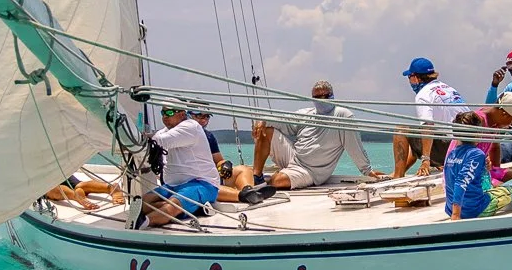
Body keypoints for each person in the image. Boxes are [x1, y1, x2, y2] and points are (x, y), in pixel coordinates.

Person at [250, 80, 386, 189]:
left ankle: (272, 179)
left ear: (332, 96)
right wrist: (264, 120)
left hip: (311, 171)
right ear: (312, 98)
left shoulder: (343, 116)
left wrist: (368, 171)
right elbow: (283, 121)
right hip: (294, 157)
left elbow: (355, 147)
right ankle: (257, 178)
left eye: (326, 96)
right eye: (318, 97)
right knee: (266, 130)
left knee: (277, 181)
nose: (322, 99)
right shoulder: (306, 113)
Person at [138, 105, 222, 227]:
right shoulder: (164, 132)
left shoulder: (190, 127)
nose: (165, 117)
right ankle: (191, 209)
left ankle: (144, 222)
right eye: (163, 113)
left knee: (171, 205)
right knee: (142, 203)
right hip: (174, 184)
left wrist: (137, 137)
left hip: (202, 183)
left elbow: (160, 141)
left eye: (170, 112)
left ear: (182, 114)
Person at [392, 57, 464, 178]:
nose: (409, 81)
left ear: (415, 77)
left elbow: (427, 127)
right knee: (417, 134)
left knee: (401, 130)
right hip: (464, 147)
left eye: (409, 77)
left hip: (449, 149)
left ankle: (397, 176)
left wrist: (426, 161)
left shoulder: (423, 94)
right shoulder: (448, 89)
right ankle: (399, 172)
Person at [443, 111, 512, 219]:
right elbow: (461, 182)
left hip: (450, 208)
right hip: (475, 210)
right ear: (478, 133)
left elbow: (450, 180)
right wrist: (456, 216)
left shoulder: (452, 154)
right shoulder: (476, 154)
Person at [189, 108, 273, 205]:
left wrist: (225, 164)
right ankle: (244, 195)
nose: (204, 120)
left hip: (212, 175)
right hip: (197, 180)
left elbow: (218, 160)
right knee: (208, 187)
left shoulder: (208, 137)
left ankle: (248, 190)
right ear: (189, 115)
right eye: (199, 116)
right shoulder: (179, 137)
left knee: (244, 170)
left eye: (207, 116)